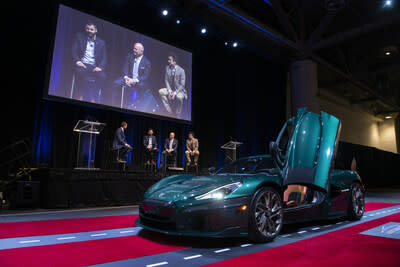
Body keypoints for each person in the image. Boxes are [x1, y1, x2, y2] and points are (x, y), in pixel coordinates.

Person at [71, 21, 107, 103]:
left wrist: (100, 67)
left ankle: (93, 96)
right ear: (85, 29)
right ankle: (83, 96)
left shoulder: (101, 42)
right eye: (87, 29)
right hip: (82, 64)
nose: (89, 31)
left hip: (94, 66)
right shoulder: (79, 37)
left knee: (103, 76)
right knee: (83, 74)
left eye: (91, 29)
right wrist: (78, 61)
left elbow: (104, 58)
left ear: (96, 30)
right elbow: (73, 51)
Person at [114, 43, 151, 109]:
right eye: (133, 48)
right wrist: (126, 78)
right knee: (116, 83)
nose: (133, 50)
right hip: (128, 78)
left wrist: (134, 80)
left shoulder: (146, 62)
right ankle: (114, 104)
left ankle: (137, 108)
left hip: (138, 81)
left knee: (142, 86)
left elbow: (145, 76)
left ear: (141, 51)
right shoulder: (129, 57)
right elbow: (125, 68)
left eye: (135, 49)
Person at [159, 53, 187, 117]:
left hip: (179, 90)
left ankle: (178, 114)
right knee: (160, 91)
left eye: (170, 60)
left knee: (179, 97)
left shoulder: (181, 70)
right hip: (170, 89)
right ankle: (169, 111)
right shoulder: (167, 68)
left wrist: (174, 93)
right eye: (168, 60)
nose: (168, 61)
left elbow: (182, 85)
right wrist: (169, 91)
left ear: (174, 61)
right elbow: (166, 80)